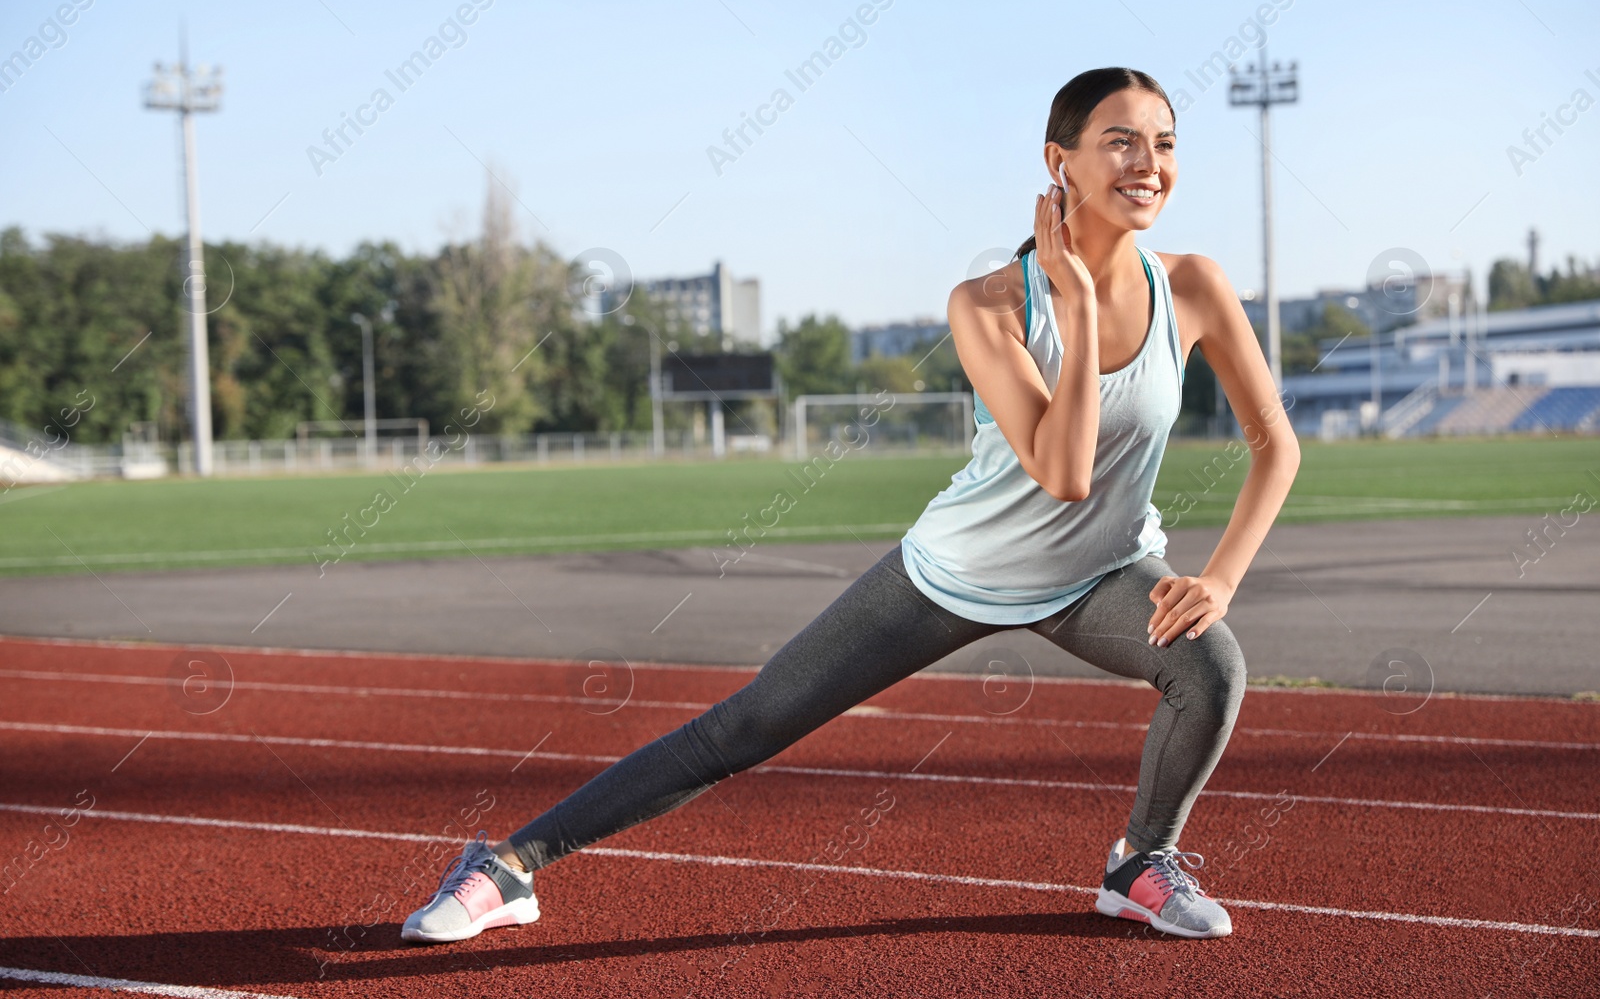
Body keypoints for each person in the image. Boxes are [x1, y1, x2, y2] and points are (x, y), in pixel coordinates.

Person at [401, 66, 1300, 945]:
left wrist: (1220, 577)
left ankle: (1141, 863)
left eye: (1165, 144)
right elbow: (1063, 471)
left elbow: (1275, 443)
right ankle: (507, 865)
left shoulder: (1196, 287)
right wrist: (1080, 307)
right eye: (1121, 142)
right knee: (745, 726)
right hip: (957, 569)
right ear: (1058, 161)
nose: (1149, 163)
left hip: (1100, 575)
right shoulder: (988, 305)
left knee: (1210, 667)